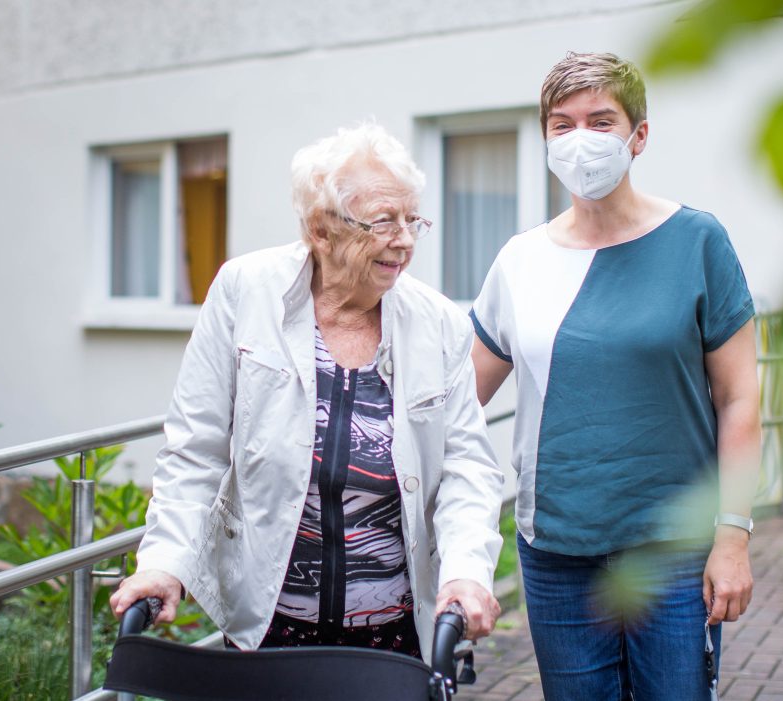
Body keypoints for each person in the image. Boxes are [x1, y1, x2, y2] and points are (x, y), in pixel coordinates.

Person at [110, 123, 504, 661]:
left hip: (393, 629)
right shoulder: (245, 292)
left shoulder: (438, 324)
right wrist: (164, 562)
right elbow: (194, 451)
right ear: (321, 229)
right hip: (268, 624)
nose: (405, 240)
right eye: (384, 222)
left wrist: (466, 574)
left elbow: (467, 468)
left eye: (412, 220)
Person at [470, 52, 760, 699]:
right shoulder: (520, 261)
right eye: (562, 123)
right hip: (557, 553)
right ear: (544, 136)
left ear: (639, 134)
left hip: (676, 551)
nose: (580, 139)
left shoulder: (697, 240)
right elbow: (459, 404)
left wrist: (733, 537)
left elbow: (739, 397)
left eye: (601, 120)